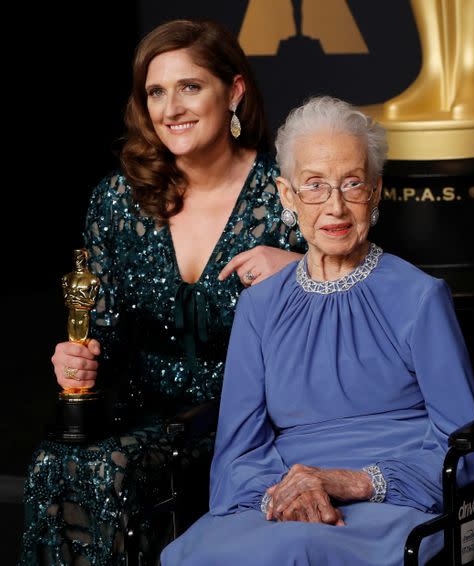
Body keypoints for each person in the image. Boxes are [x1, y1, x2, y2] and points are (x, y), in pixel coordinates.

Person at [20, 19, 305, 565]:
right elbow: (100, 334)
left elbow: (358, 298)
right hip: (144, 415)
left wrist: (301, 268)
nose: (170, 107)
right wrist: (79, 360)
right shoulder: (118, 199)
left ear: (234, 93)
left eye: (190, 86)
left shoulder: (289, 192)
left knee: (112, 469)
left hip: (255, 419)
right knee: (51, 464)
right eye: (156, 91)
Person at [160, 95, 474, 566]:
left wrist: (347, 482)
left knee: (295, 553)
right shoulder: (259, 307)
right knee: (187, 556)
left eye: (352, 183)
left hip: (387, 504)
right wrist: (284, 498)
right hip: (278, 504)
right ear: (287, 196)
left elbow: (468, 453)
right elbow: (236, 456)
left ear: (375, 192)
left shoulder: (420, 297)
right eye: (314, 185)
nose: (335, 205)